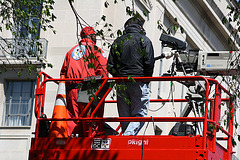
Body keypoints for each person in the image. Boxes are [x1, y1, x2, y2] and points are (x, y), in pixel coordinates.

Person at [107, 17, 155, 135]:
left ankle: (126, 137)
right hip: (138, 80)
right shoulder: (144, 40)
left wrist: (119, 75)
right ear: (140, 27)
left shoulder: (118, 41)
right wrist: (146, 79)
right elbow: (149, 62)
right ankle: (127, 137)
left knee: (124, 115)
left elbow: (109, 65)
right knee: (140, 114)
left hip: (121, 82)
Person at [60, 26, 108, 136]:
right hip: (89, 89)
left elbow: (63, 73)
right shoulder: (97, 51)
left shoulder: (70, 52)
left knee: (73, 119)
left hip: (71, 91)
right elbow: (103, 72)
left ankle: (73, 142)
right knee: (90, 120)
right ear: (91, 36)